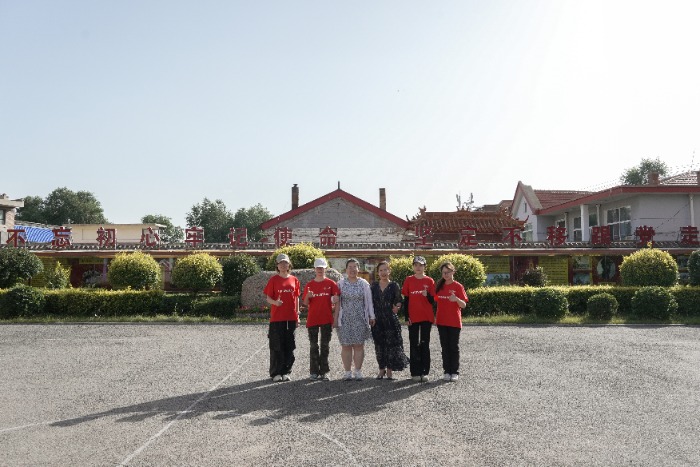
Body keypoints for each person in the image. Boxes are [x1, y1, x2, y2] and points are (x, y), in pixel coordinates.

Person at [334, 258, 375, 381]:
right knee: (346, 346)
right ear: (346, 269)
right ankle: (347, 372)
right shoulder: (340, 284)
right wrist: (335, 317)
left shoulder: (364, 284)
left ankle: (357, 371)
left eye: (354, 267)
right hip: (344, 319)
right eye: (350, 267)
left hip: (360, 319)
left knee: (358, 345)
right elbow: (335, 300)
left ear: (358, 269)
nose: (352, 269)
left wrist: (372, 316)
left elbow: (369, 302)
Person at [263, 254, 301, 382]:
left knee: (289, 345)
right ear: (277, 266)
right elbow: (268, 298)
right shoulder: (273, 280)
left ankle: (286, 371)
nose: (283, 265)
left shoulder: (294, 280)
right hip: (277, 318)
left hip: (290, 318)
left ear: (289, 265)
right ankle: (276, 372)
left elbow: (296, 298)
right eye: (281, 263)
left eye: (285, 263)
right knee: (276, 345)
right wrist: (275, 303)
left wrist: (297, 315)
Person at [302, 258, 339, 381]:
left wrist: (335, 317)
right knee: (313, 346)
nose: (320, 270)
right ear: (314, 269)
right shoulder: (309, 285)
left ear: (326, 269)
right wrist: (308, 296)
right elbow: (305, 303)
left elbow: (337, 299)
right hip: (312, 319)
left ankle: (324, 371)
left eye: (322, 268)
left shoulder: (331, 283)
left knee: (325, 345)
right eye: (318, 268)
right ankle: (313, 371)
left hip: (326, 319)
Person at [370, 260, 409, 380]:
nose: (383, 272)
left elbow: (399, 300)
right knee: (379, 345)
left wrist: (397, 307)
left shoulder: (394, 285)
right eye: (381, 270)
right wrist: (370, 317)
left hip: (391, 320)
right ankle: (381, 369)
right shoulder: (373, 286)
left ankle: (389, 370)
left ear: (389, 271)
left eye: (385, 269)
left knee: (391, 345)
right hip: (377, 321)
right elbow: (369, 303)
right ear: (378, 272)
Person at [401, 256, 436, 382]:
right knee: (414, 344)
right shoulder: (409, 280)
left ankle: (424, 372)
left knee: (425, 343)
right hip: (413, 317)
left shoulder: (430, 281)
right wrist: (406, 317)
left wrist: (427, 296)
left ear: (425, 267)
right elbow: (406, 300)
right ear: (413, 267)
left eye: (421, 265)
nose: (418, 267)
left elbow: (433, 301)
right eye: (416, 265)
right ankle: (415, 372)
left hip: (426, 317)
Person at [434, 262, 469, 382]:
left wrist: (456, 299)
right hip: (441, 321)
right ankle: (447, 371)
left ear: (453, 272)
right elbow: (435, 300)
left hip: (454, 322)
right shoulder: (439, 286)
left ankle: (454, 371)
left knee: (453, 347)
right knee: (445, 347)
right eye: (444, 272)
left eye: (448, 272)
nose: (446, 274)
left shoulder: (458, 286)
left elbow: (464, 305)